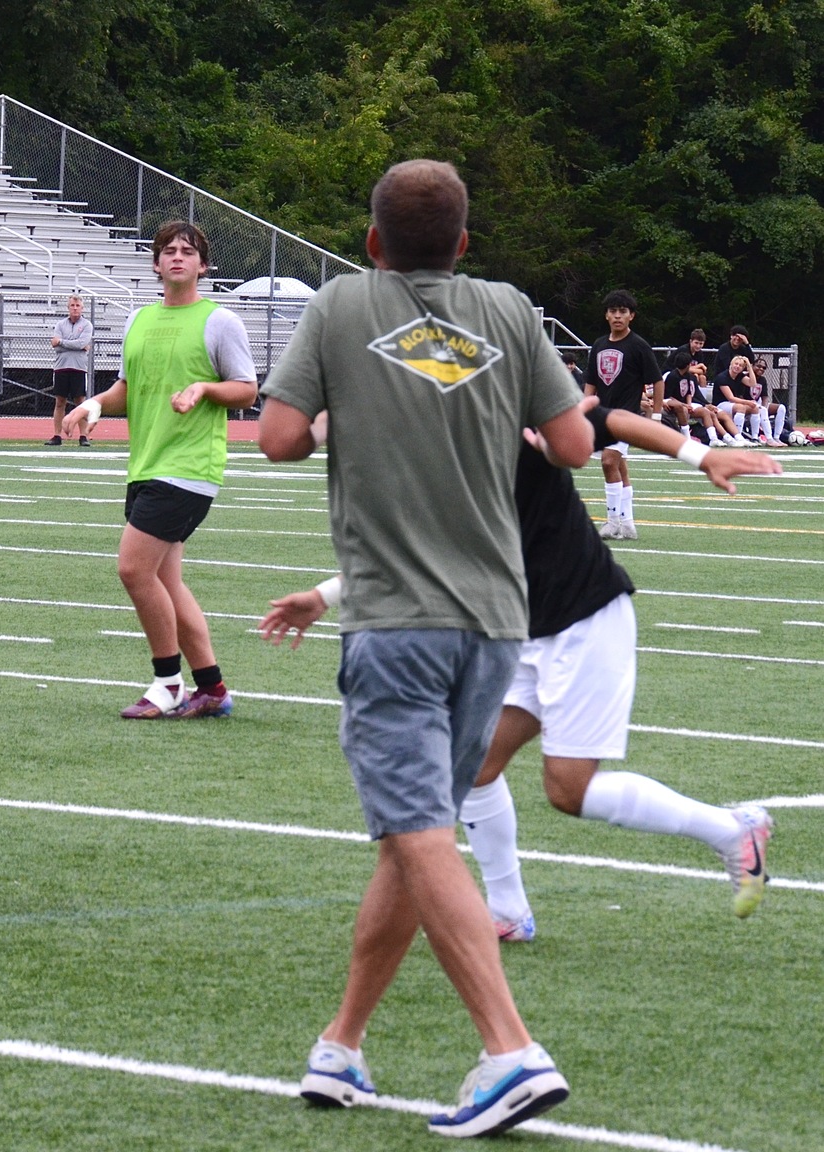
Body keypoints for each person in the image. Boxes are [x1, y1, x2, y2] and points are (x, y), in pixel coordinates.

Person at [257, 159, 592, 1137]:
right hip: (494, 622)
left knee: (417, 835)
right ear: (463, 243)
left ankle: (507, 1049)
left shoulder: (341, 304)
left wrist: (336, 408)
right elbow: (571, 446)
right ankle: (342, 1046)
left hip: (395, 622)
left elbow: (277, 439)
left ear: (371, 242)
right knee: (417, 840)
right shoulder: (508, 310)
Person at [262, 407, 781, 947]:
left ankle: (732, 830)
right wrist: (322, 597)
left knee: (568, 789)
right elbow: (402, 555)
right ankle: (508, 910)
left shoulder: (507, 406)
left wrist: (702, 455)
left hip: (587, 617)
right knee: (475, 768)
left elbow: (616, 420)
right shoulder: (428, 460)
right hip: (523, 629)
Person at [61, 221, 258, 720]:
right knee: (167, 584)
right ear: (154, 264)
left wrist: (205, 390)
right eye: (167, 250)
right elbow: (127, 391)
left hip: (189, 467)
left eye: (187, 251)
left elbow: (247, 388)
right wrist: (94, 407)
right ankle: (211, 689)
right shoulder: (139, 321)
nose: (176, 257)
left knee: (132, 568)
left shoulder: (219, 322)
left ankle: (168, 683)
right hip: (145, 463)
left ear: (202, 265)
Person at [585, 290, 663, 541]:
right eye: (613, 311)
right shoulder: (598, 345)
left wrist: (657, 416)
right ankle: (628, 524)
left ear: (632, 316)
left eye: (623, 312)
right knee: (619, 466)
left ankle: (612, 521)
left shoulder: (639, 346)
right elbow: (591, 382)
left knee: (608, 461)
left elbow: (657, 381)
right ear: (606, 315)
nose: (618, 316)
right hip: (601, 414)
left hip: (625, 416)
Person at [47, 294, 94, 446]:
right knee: (60, 402)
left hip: (78, 368)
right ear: (68, 307)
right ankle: (56, 435)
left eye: (77, 306)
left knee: (80, 402)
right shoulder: (60, 324)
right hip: (61, 367)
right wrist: (74, 345)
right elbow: (57, 347)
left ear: (82, 308)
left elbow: (81, 343)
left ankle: (83, 436)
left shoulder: (87, 325)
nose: (75, 308)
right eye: (72, 306)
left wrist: (62, 342)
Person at [713, 355, 762, 442]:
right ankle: (738, 436)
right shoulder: (722, 377)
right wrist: (747, 402)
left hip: (731, 404)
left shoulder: (739, 376)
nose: (737, 367)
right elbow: (731, 398)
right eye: (736, 364)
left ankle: (755, 437)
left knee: (755, 408)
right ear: (731, 364)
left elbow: (753, 383)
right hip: (720, 404)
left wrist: (749, 367)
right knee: (741, 407)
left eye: (740, 365)